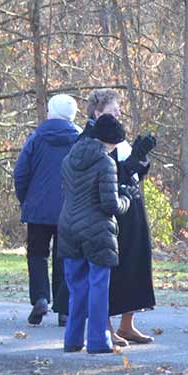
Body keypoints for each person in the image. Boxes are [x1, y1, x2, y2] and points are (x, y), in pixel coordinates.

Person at [89, 90, 159, 344]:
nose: (118, 112)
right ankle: (105, 325)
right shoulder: (94, 140)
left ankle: (127, 325)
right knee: (113, 271)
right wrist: (132, 161)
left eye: (118, 108)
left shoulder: (119, 139)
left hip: (132, 208)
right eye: (113, 108)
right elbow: (108, 176)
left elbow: (130, 174)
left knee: (136, 264)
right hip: (112, 211)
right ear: (98, 113)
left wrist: (140, 160)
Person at [60, 113, 133, 354]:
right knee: (98, 286)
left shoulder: (69, 159)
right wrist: (126, 199)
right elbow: (109, 205)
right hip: (97, 230)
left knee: (76, 288)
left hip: (69, 227)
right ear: (110, 141)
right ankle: (98, 340)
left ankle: (72, 339)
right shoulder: (105, 163)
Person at [13, 94, 80, 326]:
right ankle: (64, 309)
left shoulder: (37, 137)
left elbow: (21, 172)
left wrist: (26, 199)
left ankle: (40, 298)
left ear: (51, 111)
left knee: (37, 254)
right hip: (70, 209)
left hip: (39, 207)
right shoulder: (80, 138)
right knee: (65, 256)